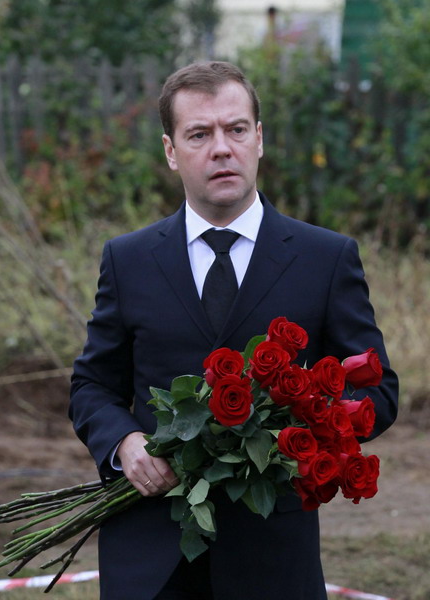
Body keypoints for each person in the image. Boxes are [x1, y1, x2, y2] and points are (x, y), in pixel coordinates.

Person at [70, 61, 398, 600]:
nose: (221, 148)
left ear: (259, 139)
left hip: (271, 557)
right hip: (151, 553)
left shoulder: (326, 258)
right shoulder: (128, 259)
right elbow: (92, 386)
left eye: (236, 129)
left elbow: (378, 389)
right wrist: (124, 441)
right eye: (199, 134)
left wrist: (300, 430)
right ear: (172, 151)